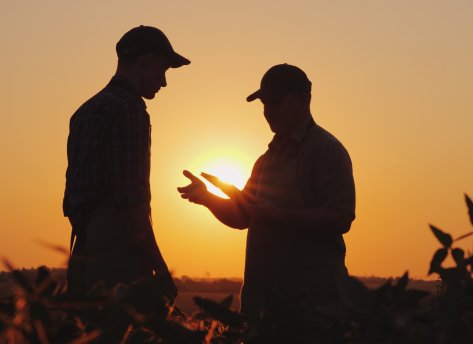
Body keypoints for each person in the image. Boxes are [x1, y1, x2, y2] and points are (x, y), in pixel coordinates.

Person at [178, 63, 356, 322]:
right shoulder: (266, 160)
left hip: (312, 307)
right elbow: (242, 217)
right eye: (264, 104)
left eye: (275, 102)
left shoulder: (326, 151)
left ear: (303, 100)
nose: (268, 111)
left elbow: (341, 217)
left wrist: (278, 215)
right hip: (262, 307)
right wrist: (206, 198)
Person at [63, 26, 190, 301]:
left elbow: (73, 199)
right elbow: (130, 201)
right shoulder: (128, 111)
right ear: (146, 61)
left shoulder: (83, 112)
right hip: (118, 261)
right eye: (163, 69)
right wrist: (159, 269)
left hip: (82, 252)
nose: (164, 82)